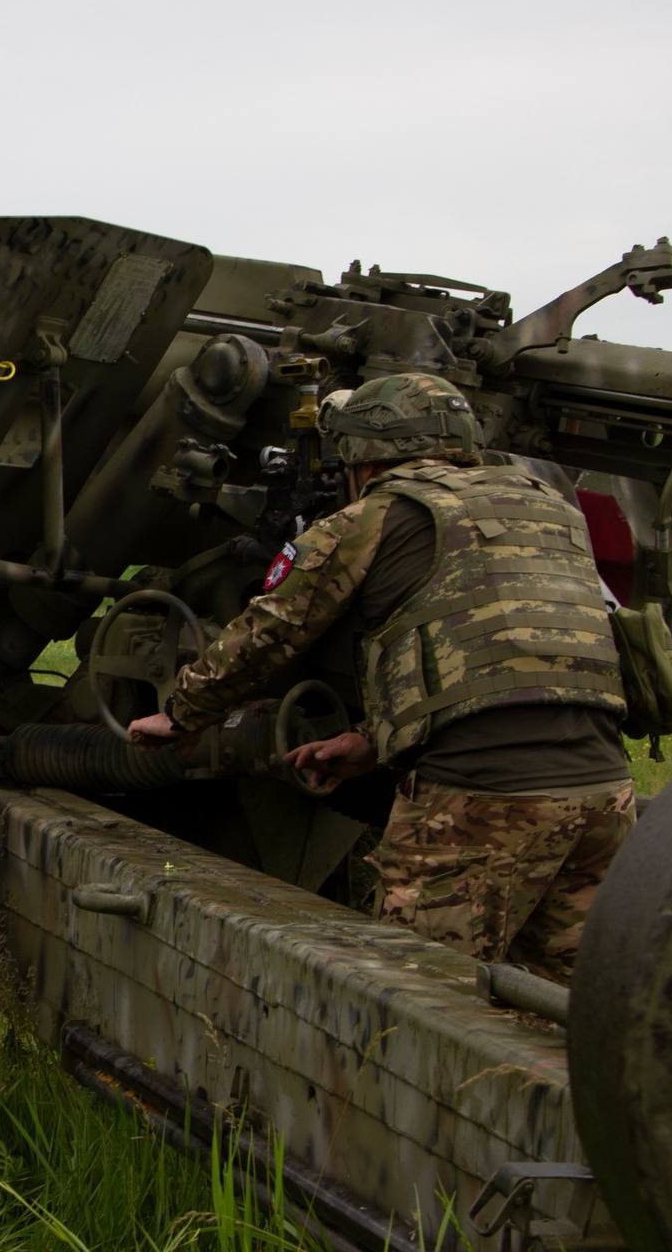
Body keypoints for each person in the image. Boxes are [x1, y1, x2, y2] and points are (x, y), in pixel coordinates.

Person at [128, 372, 634, 985]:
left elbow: (271, 631)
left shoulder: (373, 516)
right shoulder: (550, 509)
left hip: (482, 796)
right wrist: (375, 739)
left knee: (417, 994)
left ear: (363, 458)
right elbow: (508, 654)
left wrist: (181, 712)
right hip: (604, 791)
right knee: (562, 1002)